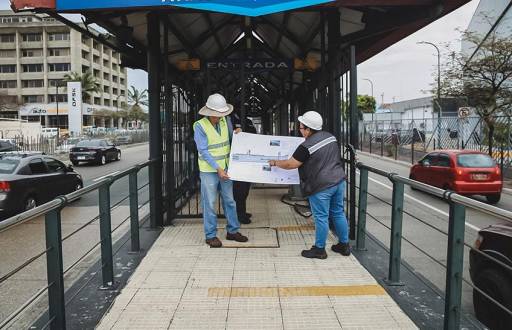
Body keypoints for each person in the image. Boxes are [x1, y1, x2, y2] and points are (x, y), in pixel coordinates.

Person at [269, 110, 350, 259]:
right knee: (338, 212)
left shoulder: (306, 146)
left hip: (321, 186)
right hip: (338, 181)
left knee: (321, 217)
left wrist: (275, 162)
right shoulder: (330, 137)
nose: (300, 130)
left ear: (308, 129)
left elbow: (290, 164)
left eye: (301, 127)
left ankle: (319, 249)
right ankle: (344, 245)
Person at [193, 93, 248, 248]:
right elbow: (203, 150)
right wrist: (218, 169)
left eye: (221, 114)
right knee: (209, 203)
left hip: (225, 168)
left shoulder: (226, 120)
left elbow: (231, 140)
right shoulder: (200, 126)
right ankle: (210, 235)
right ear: (209, 112)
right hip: (209, 170)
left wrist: (238, 133)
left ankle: (232, 231)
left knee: (229, 200)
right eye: (217, 114)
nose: (219, 117)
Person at [231, 111, 257, 224]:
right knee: (240, 190)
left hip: (247, 157)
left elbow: (254, 135)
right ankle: (239, 215)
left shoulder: (247, 121)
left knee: (245, 188)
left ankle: (242, 212)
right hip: (237, 160)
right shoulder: (229, 120)